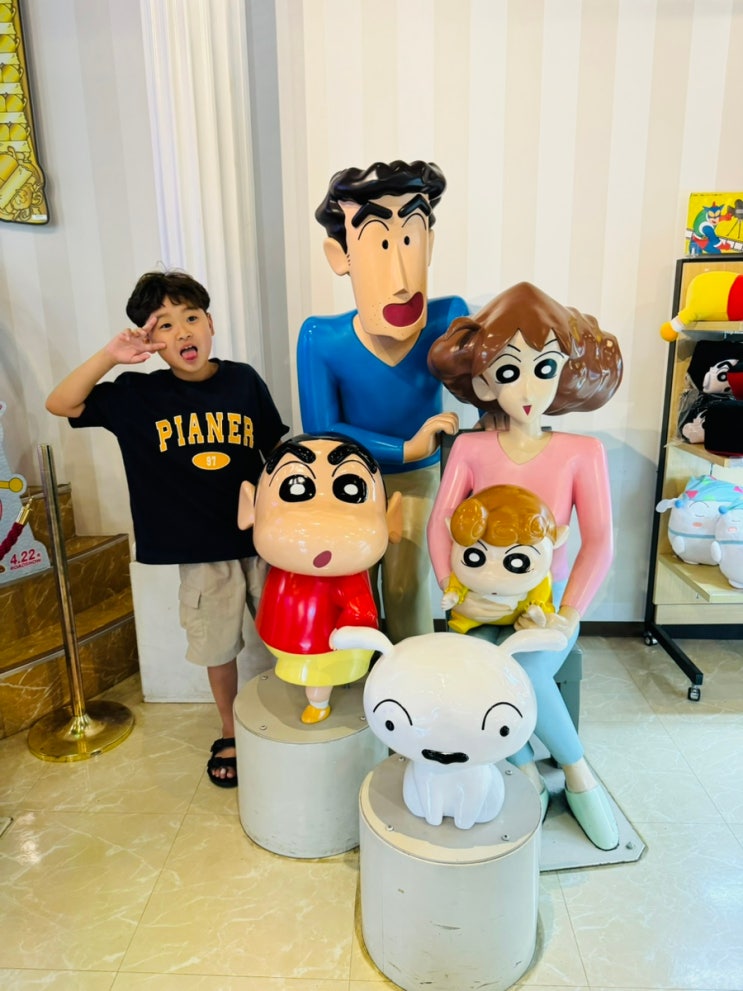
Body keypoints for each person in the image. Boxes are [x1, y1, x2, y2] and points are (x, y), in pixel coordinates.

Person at [46, 270, 289, 788]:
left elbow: (274, 451)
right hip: (200, 552)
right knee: (218, 648)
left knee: (286, 634)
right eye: (165, 326)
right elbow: (61, 403)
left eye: (191, 318)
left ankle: (296, 713)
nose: (183, 332)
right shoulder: (138, 394)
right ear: (149, 340)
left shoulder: (244, 380)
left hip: (263, 542)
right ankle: (230, 729)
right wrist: (111, 356)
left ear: (210, 323)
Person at [427, 281, 623, 850]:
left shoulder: (582, 453)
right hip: (476, 601)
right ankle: (524, 770)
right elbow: (441, 526)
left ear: (566, 372)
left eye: (545, 368)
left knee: (527, 671)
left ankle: (577, 773)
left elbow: (600, 542)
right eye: (510, 372)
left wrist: (568, 613)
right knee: (484, 673)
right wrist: (454, 589)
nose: (529, 388)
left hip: (546, 604)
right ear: (485, 382)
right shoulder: (470, 449)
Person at [297, 160, 469, 642]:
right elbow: (322, 434)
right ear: (341, 255)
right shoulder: (321, 339)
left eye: (409, 239)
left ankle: (412, 670)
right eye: (379, 243)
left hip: (418, 481)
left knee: (404, 585)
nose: (399, 279)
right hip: (349, 481)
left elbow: (483, 386)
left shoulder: (448, 320)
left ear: (429, 244)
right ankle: (356, 668)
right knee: (352, 584)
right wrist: (405, 448)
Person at [237, 433, 402, 723]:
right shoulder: (282, 567)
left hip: (327, 644)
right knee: (303, 665)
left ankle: (319, 701)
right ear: (249, 507)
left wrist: (352, 626)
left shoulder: (348, 577)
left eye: (351, 488)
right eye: (295, 488)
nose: (322, 517)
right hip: (288, 632)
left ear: (391, 517)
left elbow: (360, 608)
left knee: (320, 675)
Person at [442, 484, 568, 634]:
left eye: (518, 561)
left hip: (520, 613)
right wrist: (453, 594)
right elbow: (437, 521)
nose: (493, 575)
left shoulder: (541, 577)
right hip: (474, 606)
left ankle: (535, 613)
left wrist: (541, 607)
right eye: (474, 557)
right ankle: (464, 622)